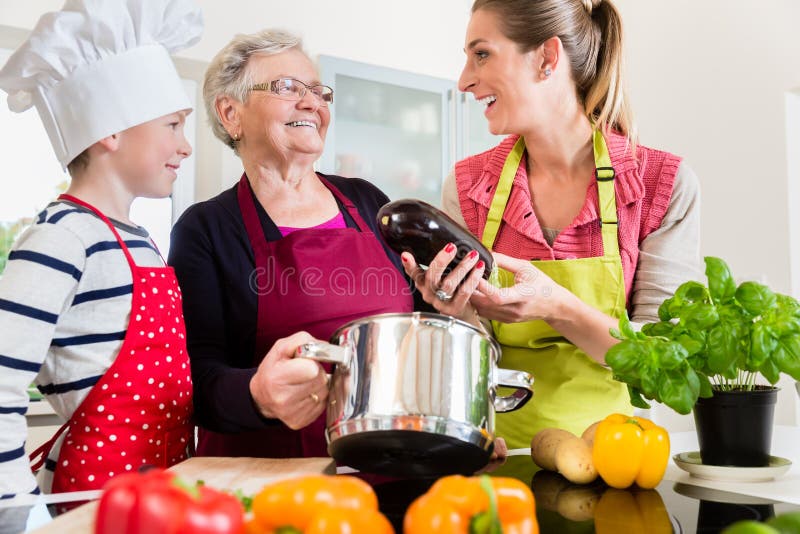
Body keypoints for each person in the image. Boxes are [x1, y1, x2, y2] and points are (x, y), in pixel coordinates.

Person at [402, 0, 702, 451]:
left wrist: (554, 305)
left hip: (617, 461)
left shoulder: (660, 185)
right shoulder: (466, 187)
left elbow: (664, 368)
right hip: (496, 456)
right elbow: (469, 364)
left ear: (547, 58)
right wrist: (454, 310)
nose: (464, 80)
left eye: (481, 54)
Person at [168, 29, 416, 459]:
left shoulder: (367, 200)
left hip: (390, 467)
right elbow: (195, 380)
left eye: (319, 91)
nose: (313, 103)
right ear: (231, 113)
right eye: (288, 88)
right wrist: (257, 395)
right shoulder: (205, 229)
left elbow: (423, 326)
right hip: (273, 486)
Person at [0, 0, 202, 497]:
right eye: (173, 125)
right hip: (95, 498)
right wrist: (12, 505)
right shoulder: (63, 238)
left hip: (164, 490)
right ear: (108, 130)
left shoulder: (142, 242)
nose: (186, 146)